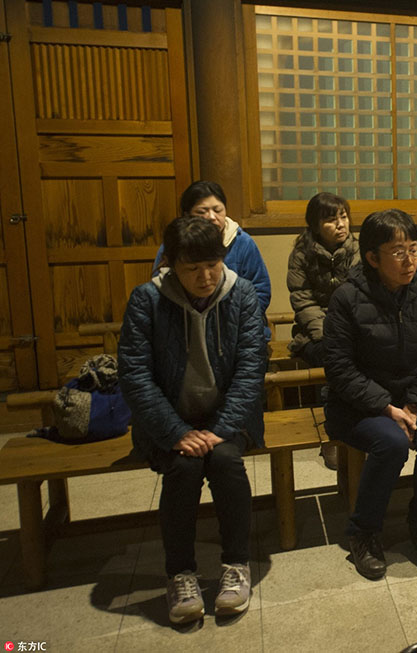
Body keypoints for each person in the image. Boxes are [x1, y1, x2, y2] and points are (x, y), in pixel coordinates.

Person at [119, 216, 267, 625]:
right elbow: (134, 374)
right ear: (170, 263)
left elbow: (251, 368)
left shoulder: (243, 295)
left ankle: (236, 566)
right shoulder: (146, 300)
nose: (205, 277)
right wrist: (176, 432)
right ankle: (180, 574)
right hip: (170, 420)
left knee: (225, 462)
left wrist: (220, 429)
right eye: (192, 268)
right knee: (183, 467)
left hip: (229, 421)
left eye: (213, 265)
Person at [323, 209, 417, 580]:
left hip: (413, 397)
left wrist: (412, 404)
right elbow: (339, 367)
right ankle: (363, 532)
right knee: (392, 443)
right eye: (398, 252)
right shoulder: (347, 298)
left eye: (414, 249)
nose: (409, 260)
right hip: (358, 404)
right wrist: (385, 406)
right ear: (371, 258)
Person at [286, 193, 360, 470]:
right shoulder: (302, 253)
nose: (341, 224)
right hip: (314, 333)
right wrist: (329, 334)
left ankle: (359, 427)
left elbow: (360, 296)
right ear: (315, 225)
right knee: (334, 358)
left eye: (343, 217)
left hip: (351, 328)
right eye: (331, 219)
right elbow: (302, 300)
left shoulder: (358, 250)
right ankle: (333, 435)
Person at [153, 180, 272, 339]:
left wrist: (236, 321)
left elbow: (261, 289)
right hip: (186, 329)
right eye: (202, 212)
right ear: (187, 215)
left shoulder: (243, 242)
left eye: (218, 210)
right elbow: (161, 287)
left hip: (239, 328)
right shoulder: (175, 244)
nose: (211, 217)